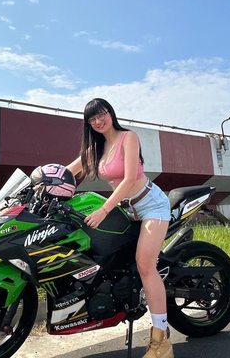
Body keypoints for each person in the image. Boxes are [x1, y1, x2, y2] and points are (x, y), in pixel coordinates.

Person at [67, 98, 173, 358]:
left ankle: (161, 342)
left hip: (151, 205)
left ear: (110, 113)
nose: (98, 121)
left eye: (101, 114)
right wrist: (37, 184)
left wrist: (104, 210)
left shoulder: (128, 137)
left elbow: (128, 179)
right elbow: (67, 171)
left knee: (145, 265)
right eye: (92, 118)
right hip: (127, 210)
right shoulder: (96, 149)